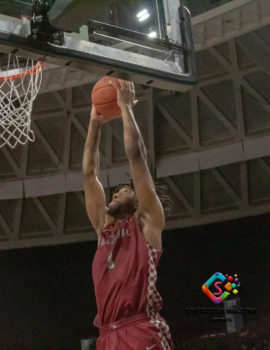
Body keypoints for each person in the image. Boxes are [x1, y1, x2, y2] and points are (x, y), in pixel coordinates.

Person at [83, 79, 174, 350]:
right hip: (107, 337)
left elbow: (136, 156)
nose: (115, 193)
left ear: (137, 201)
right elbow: (89, 174)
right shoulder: (103, 228)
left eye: (123, 190)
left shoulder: (147, 223)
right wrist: (94, 125)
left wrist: (125, 107)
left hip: (140, 328)